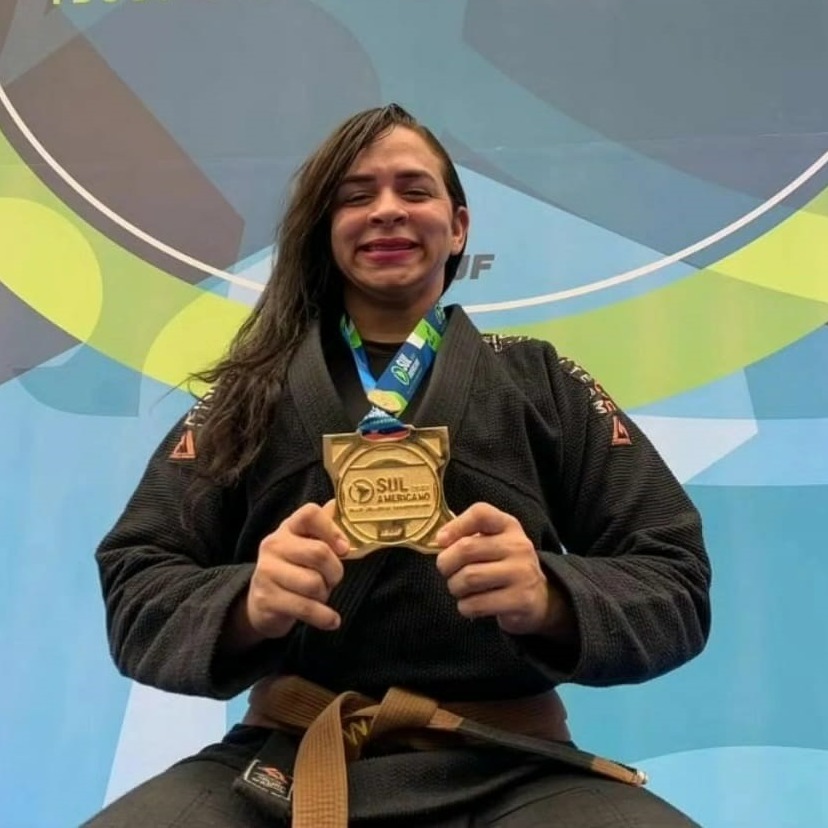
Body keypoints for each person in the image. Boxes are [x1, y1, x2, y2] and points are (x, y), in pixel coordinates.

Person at [83, 103, 711, 827]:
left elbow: (673, 575)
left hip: (510, 765)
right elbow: (138, 578)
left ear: (459, 226)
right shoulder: (246, 395)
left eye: (414, 190)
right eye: (356, 196)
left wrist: (550, 595)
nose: (386, 210)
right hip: (285, 761)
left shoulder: (542, 381)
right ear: (327, 229)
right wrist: (249, 601)